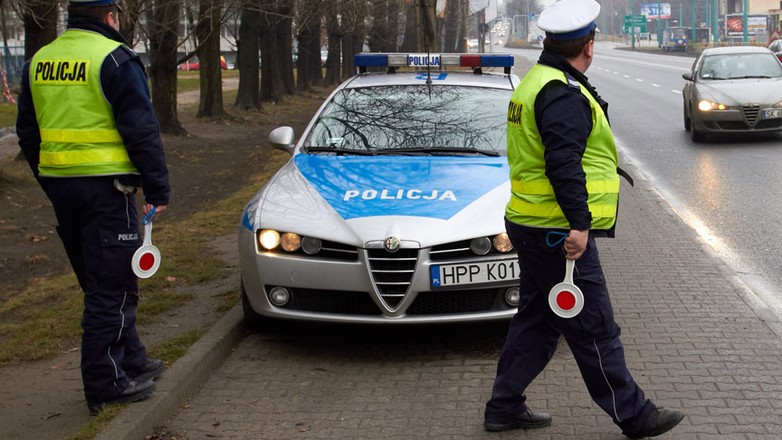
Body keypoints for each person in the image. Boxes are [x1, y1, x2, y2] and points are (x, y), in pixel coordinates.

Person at [483, 0, 685, 438]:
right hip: (557, 231)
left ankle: (503, 406)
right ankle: (634, 415)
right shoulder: (560, 93)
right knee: (593, 324)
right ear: (589, 46)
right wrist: (579, 224)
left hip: (531, 222)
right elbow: (563, 164)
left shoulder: (537, 81)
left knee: (538, 321)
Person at [16, 0, 169, 415]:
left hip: (63, 189)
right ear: (111, 16)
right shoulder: (114, 58)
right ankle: (106, 384)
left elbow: (27, 132)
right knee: (113, 285)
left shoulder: (39, 61)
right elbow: (141, 130)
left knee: (101, 280)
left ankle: (132, 360)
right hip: (108, 190)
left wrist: (51, 179)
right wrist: (157, 189)